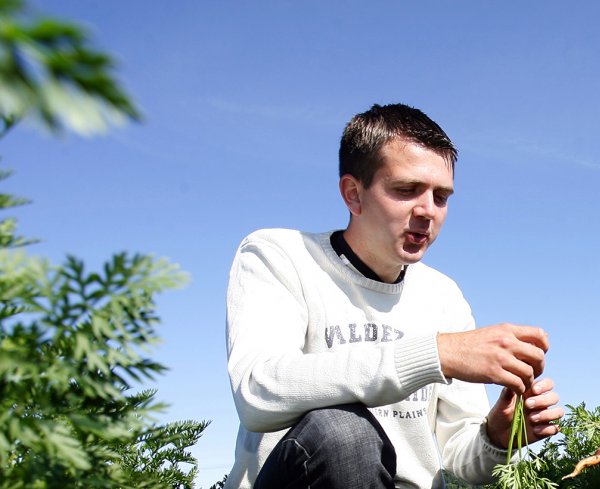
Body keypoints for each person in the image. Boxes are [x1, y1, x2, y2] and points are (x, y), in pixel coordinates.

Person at [224, 103, 563, 488]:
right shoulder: (280, 255)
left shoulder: (443, 296)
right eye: (406, 190)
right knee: (343, 432)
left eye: (442, 197)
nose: (427, 211)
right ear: (353, 194)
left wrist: (497, 436)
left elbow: (460, 460)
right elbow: (257, 391)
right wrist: (435, 354)